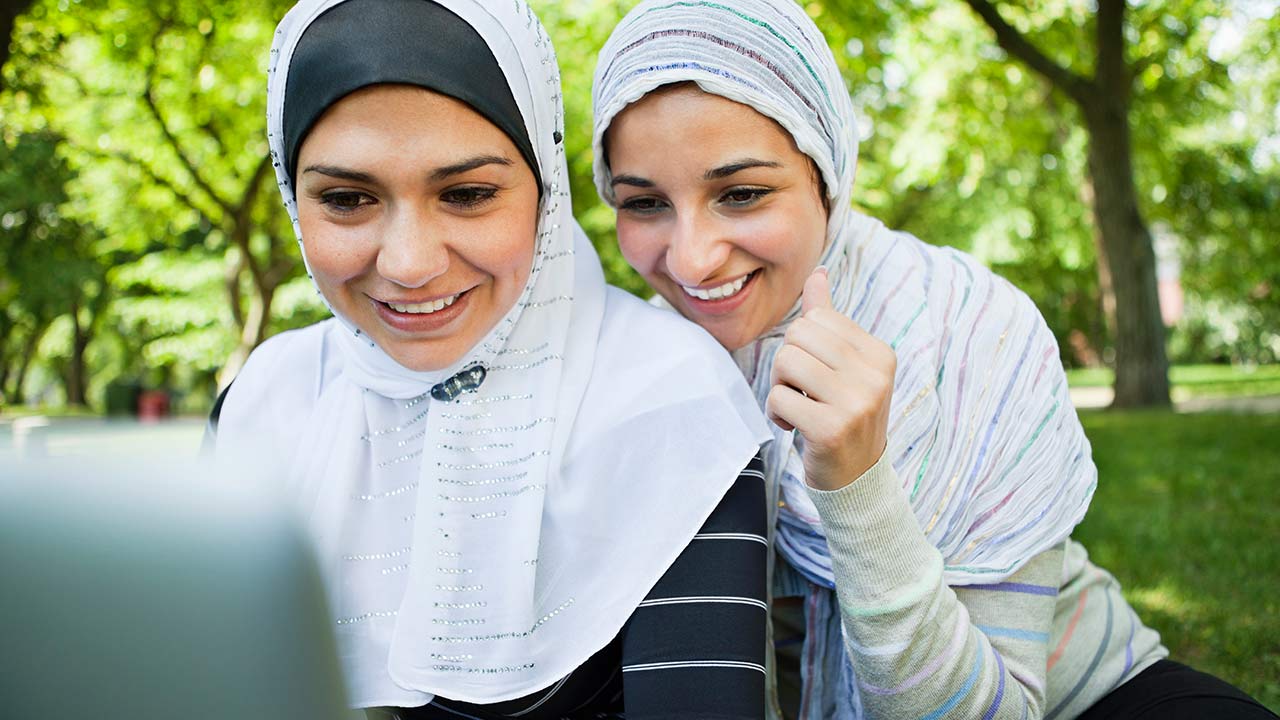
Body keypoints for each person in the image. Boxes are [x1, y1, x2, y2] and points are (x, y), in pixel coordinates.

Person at [590, 1, 1278, 718]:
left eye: (742, 193)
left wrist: (858, 488)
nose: (693, 258)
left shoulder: (975, 331)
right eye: (645, 204)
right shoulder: (637, 374)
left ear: (827, 175)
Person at [213, 0, 775, 717]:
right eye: (348, 199)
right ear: (297, 201)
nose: (410, 264)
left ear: (546, 191)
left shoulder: (666, 405)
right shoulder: (269, 398)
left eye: (469, 194)